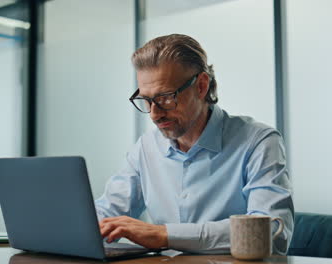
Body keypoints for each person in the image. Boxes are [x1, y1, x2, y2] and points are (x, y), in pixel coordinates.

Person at [95, 34, 293, 255]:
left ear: (201, 86)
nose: (154, 114)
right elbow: (108, 211)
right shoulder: (147, 146)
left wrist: (164, 235)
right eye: (146, 100)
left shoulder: (258, 141)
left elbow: (271, 232)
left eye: (166, 98)